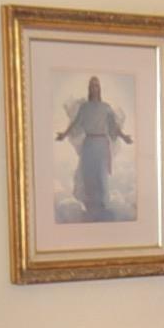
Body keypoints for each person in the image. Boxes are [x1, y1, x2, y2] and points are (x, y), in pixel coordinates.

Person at [57, 76, 132, 221]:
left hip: (101, 144)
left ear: (99, 88)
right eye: (92, 86)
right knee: (88, 176)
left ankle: (102, 210)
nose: (94, 88)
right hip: (88, 144)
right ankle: (90, 210)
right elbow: (75, 123)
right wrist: (64, 134)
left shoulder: (105, 107)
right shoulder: (84, 108)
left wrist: (124, 137)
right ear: (89, 89)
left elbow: (114, 126)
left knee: (101, 177)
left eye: (96, 86)